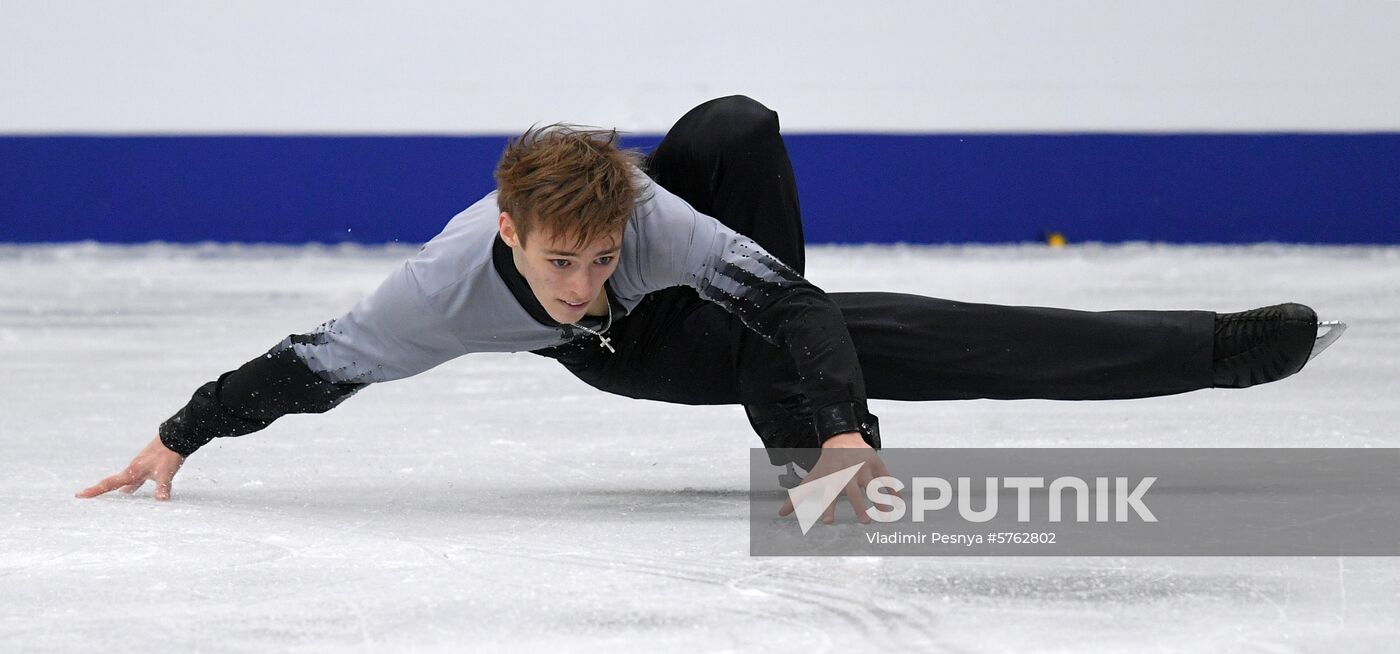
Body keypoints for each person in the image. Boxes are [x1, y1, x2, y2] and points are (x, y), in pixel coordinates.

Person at [76, 96, 1333, 522]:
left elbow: (790, 307)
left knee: (750, 154)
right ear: (510, 232)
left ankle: (1207, 352)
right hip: (641, 362)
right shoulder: (438, 293)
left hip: (726, 309)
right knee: (833, 332)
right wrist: (181, 435)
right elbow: (305, 367)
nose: (581, 281)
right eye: (558, 264)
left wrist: (838, 429)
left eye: (600, 254)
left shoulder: (655, 222)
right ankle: (1204, 352)